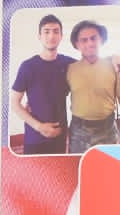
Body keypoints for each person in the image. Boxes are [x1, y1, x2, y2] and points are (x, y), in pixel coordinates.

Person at [11, 14, 74, 155]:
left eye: (56, 31)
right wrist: (39, 127)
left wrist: (114, 58)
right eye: (46, 31)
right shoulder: (28, 66)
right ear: (39, 36)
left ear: (61, 36)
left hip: (60, 136)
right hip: (34, 137)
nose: (51, 36)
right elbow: (14, 103)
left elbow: (91, 63)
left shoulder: (69, 64)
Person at [66, 20, 120, 153]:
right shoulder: (70, 69)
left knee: (108, 164)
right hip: (79, 132)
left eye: (93, 38)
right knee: (77, 163)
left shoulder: (115, 66)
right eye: (84, 40)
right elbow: (55, 94)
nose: (90, 43)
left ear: (101, 40)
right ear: (77, 44)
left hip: (108, 130)